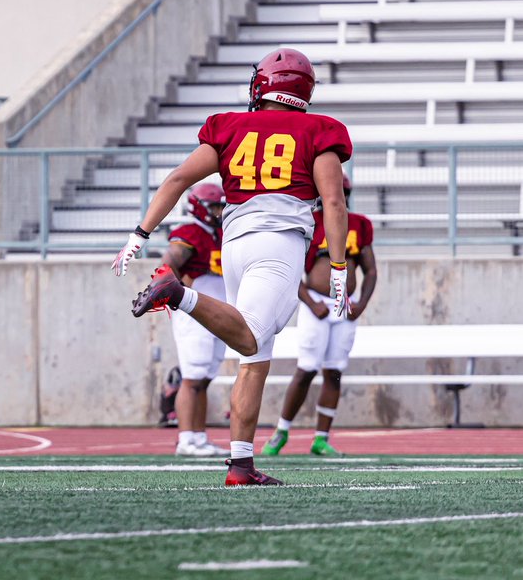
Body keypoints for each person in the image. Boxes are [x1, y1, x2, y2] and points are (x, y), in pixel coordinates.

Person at [112, 47, 352, 486]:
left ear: (263, 84)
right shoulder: (321, 130)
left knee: (256, 356)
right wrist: (337, 265)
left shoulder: (230, 126)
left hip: (237, 242)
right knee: (251, 338)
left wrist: (139, 234)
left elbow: (178, 179)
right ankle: (178, 293)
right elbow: (334, 202)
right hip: (277, 243)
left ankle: (241, 464)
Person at [263, 173, 376, 457]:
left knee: (334, 371)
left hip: (344, 304)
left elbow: (370, 269)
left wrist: (361, 302)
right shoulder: (309, 221)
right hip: (316, 303)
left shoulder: (359, 224)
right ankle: (282, 431)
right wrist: (311, 303)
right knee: (307, 369)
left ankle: (321, 438)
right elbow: (289, 269)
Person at [161, 183, 231, 458]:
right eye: (214, 207)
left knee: (204, 378)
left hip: (216, 312)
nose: (219, 212)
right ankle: (185, 439)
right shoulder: (190, 233)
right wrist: (179, 293)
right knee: (192, 378)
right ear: (199, 207)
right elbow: (168, 264)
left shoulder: (219, 234)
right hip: (194, 314)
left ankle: (199, 437)